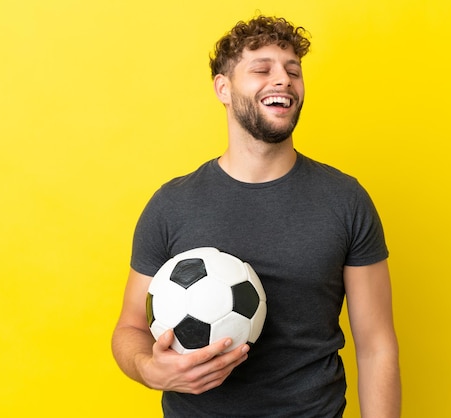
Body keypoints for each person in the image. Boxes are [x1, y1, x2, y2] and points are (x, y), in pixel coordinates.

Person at [111, 15, 401, 418]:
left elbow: (376, 345)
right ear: (223, 88)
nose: (283, 80)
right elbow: (129, 328)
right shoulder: (171, 205)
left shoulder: (345, 200)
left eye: (293, 71)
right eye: (262, 69)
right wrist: (150, 369)